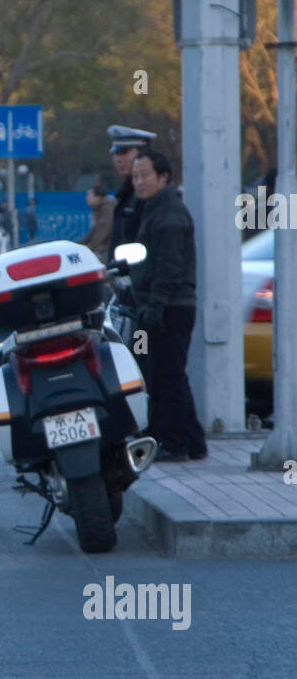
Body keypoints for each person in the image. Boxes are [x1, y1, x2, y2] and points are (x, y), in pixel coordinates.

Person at [130, 149, 208, 463]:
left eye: (144, 175)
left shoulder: (169, 213)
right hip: (160, 305)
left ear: (163, 177)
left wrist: (155, 307)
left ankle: (175, 443)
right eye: (135, 176)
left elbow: (169, 266)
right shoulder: (152, 209)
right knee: (168, 373)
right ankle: (193, 441)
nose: (138, 181)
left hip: (170, 308)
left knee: (167, 375)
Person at [106, 124, 155, 259]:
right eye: (115, 153)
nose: (118, 159)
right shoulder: (126, 195)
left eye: (124, 152)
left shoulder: (149, 195)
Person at [80, 183, 116, 265]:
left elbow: (103, 230)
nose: (87, 198)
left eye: (89, 195)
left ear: (98, 197)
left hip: (107, 249)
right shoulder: (99, 209)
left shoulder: (107, 208)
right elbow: (95, 229)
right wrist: (83, 243)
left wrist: (91, 246)